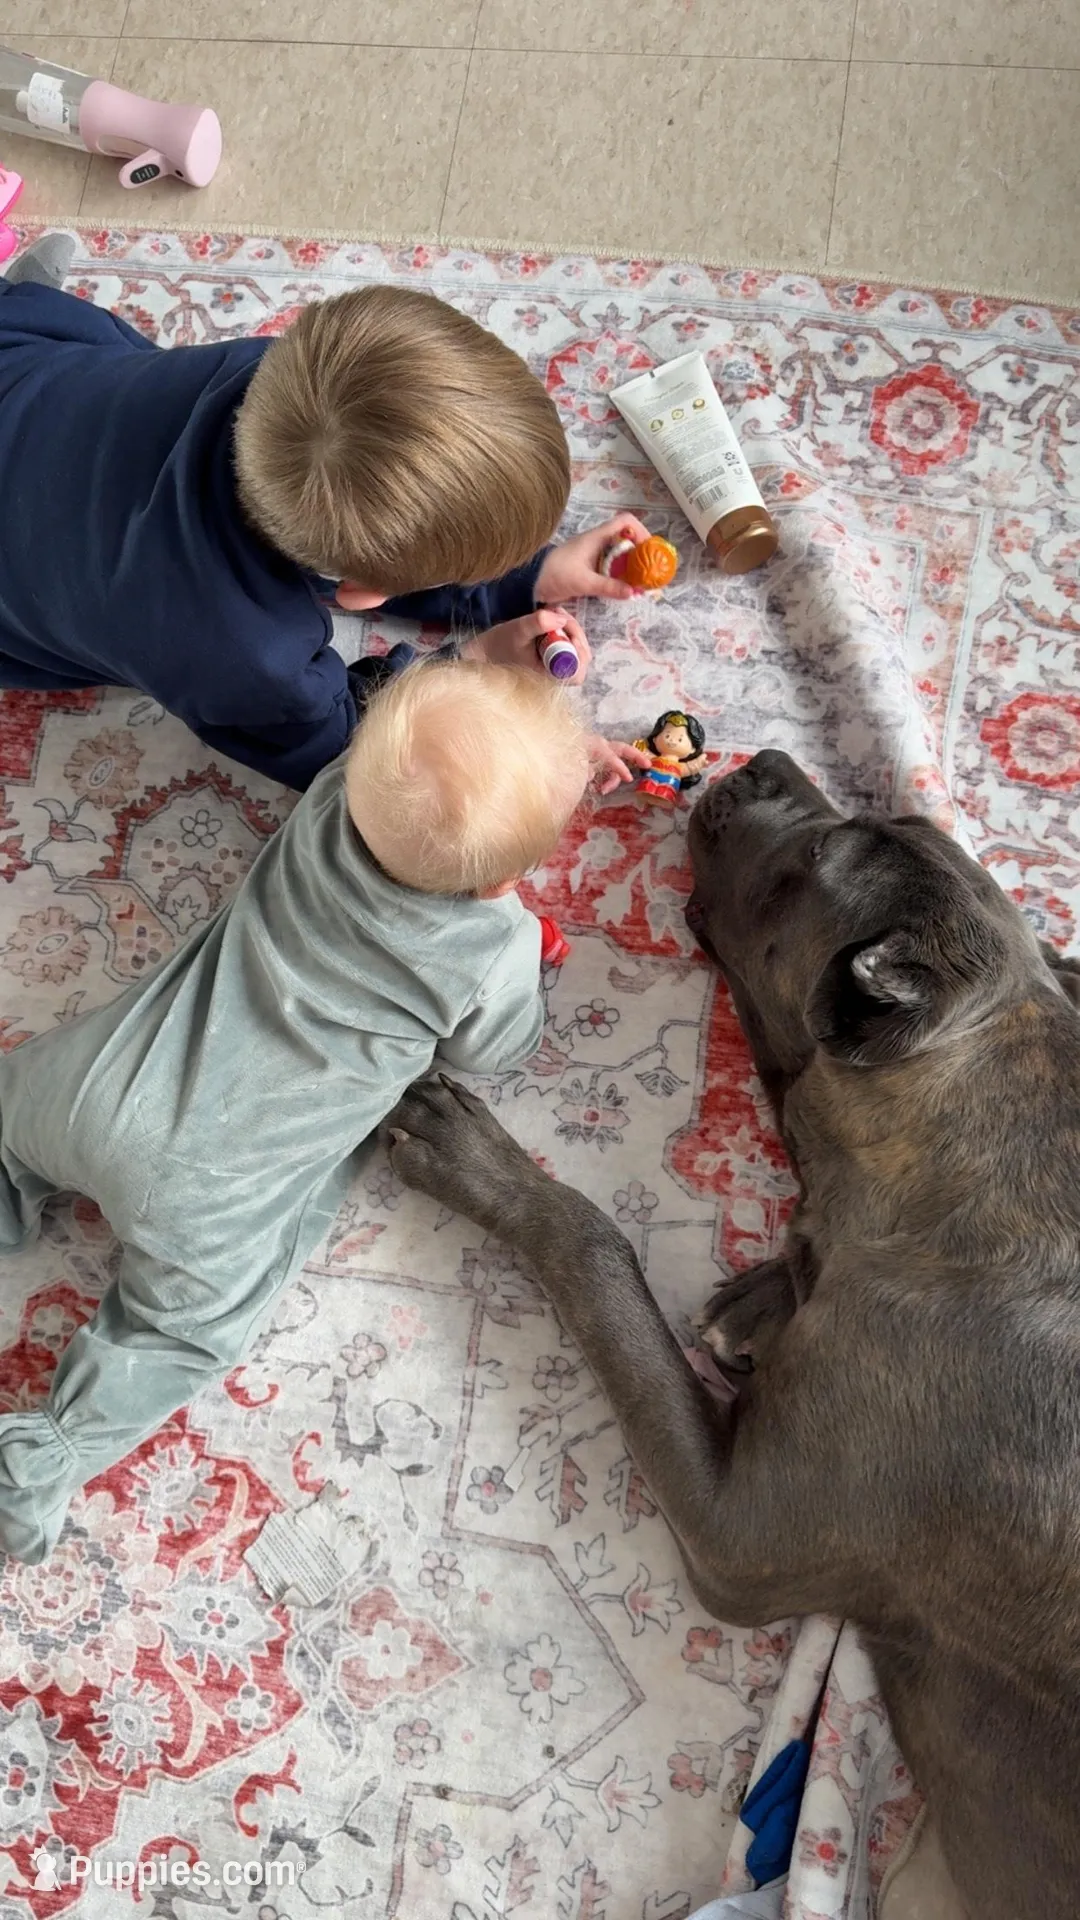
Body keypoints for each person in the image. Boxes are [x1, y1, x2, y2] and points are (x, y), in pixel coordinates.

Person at [0, 660, 642, 1564]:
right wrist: (528, 952)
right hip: (211, 1199)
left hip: (97, 1087)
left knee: (12, 1114)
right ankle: (44, 1458)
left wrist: (539, 748)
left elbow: (424, 751)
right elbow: (489, 1053)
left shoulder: (338, 796)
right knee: (177, 1331)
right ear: (507, 880)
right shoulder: (491, 948)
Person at [0, 235, 652, 790]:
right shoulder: (251, 661)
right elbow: (351, 750)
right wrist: (475, 665)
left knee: (76, 349)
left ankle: (24, 299)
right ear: (361, 594)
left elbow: (366, 495)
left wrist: (525, 577)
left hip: (23, 365)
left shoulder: (272, 371)